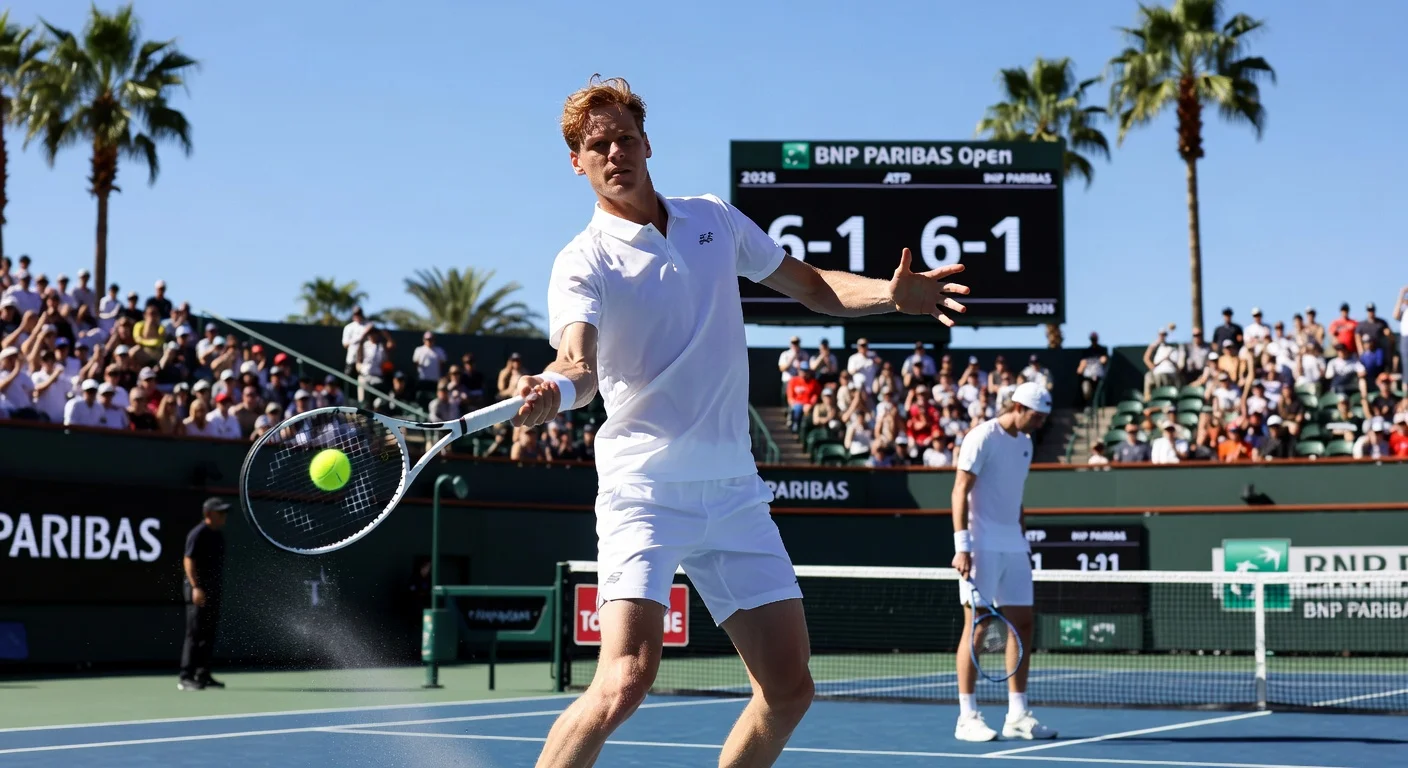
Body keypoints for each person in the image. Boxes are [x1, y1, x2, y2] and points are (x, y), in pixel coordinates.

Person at [513, 75, 969, 768]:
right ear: (577, 161)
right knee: (624, 681)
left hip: (733, 492)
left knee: (788, 689)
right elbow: (577, 360)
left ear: (647, 142)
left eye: (625, 138)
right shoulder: (583, 261)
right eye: (596, 144)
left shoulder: (713, 220)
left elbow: (812, 285)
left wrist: (891, 297)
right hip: (645, 492)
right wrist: (555, 388)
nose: (614, 153)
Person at [950, 382, 1055, 742]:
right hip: (979, 546)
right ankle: (967, 716)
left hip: (1013, 545)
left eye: (1043, 418)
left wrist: (1021, 540)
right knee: (977, 628)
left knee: (1023, 625)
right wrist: (962, 546)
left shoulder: (1026, 444)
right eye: (1036, 417)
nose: (1039, 423)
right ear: (1018, 407)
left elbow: (1015, 498)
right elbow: (960, 489)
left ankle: (1017, 713)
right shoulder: (982, 437)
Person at [180, 497, 229, 691]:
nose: (224, 516)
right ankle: (185, 677)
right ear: (208, 514)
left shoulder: (218, 535)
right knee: (194, 633)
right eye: (220, 513)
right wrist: (196, 587)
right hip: (197, 590)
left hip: (212, 590)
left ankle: (203, 674)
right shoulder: (197, 533)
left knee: (208, 634)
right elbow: (188, 560)